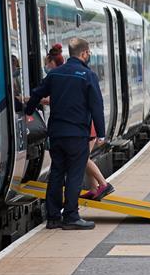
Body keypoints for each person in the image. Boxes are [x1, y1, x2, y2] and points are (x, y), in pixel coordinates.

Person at [26, 38, 105, 230]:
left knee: (56, 174)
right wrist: (101, 134)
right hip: (77, 134)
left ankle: (53, 218)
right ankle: (71, 216)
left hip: (56, 134)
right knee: (75, 175)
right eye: (89, 54)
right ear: (84, 53)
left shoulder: (55, 74)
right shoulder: (87, 75)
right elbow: (96, 107)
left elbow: (37, 93)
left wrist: (28, 111)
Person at [41, 44, 114, 201]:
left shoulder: (62, 75)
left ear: (53, 63)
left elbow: (56, 99)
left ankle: (104, 184)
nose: (46, 67)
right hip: (86, 125)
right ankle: (95, 188)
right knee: (84, 157)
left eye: (47, 64)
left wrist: (32, 100)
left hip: (87, 127)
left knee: (83, 159)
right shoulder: (70, 72)